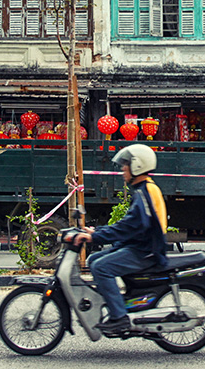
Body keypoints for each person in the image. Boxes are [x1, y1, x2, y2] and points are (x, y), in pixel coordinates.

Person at [73, 143, 168, 334]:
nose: (123, 169)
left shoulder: (145, 192)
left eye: (127, 165)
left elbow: (129, 226)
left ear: (138, 166)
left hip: (145, 250)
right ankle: (117, 301)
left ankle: (119, 317)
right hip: (139, 245)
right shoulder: (144, 189)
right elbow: (128, 225)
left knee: (101, 267)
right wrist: (96, 232)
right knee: (94, 260)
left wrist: (96, 236)